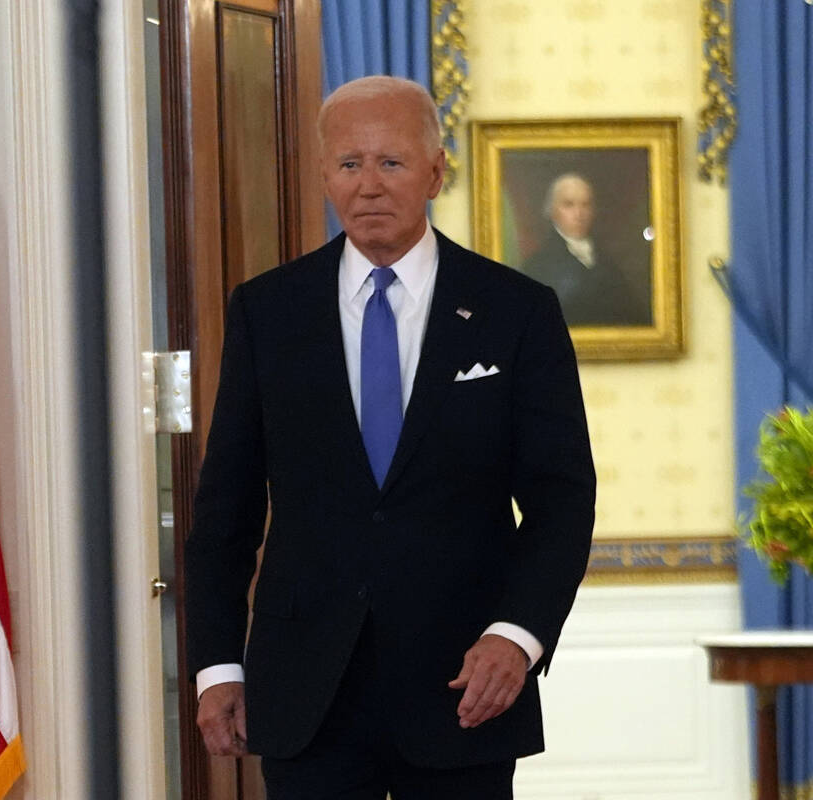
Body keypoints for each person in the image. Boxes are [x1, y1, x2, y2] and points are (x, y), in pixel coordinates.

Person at [184, 75, 596, 799]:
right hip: (305, 692)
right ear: (323, 175)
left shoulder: (516, 312)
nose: (368, 185)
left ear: (436, 171)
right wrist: (218, 666)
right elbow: (226, 514)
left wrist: (518, 635)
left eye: (391, 163)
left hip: (464, 689)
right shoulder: (267, 313)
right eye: (349, 164)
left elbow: (562, 501)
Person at [520, 173, 651, 326]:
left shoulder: (608, 261)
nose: (579, 214)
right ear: (552, 211)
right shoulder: (537, 266)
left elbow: (634, 315)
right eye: (569, 205)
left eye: (586, 204)